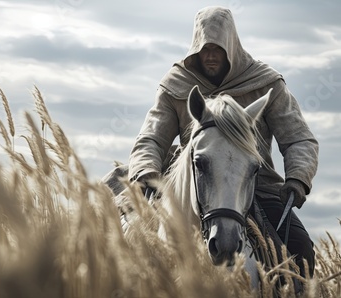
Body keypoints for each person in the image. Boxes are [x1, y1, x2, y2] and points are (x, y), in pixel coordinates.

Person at [103, 6, 318, 279]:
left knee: (301, 252)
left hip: (256, 184)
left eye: (217, 49)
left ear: (231, 47)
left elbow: (298, 138)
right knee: (125, 245)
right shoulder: (176, 85)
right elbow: (151, 137)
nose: (211, 56)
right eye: (205, 49)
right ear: (195, 49)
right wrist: (146, 171)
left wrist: (298, 177)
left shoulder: (266, 83)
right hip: (190, 178)